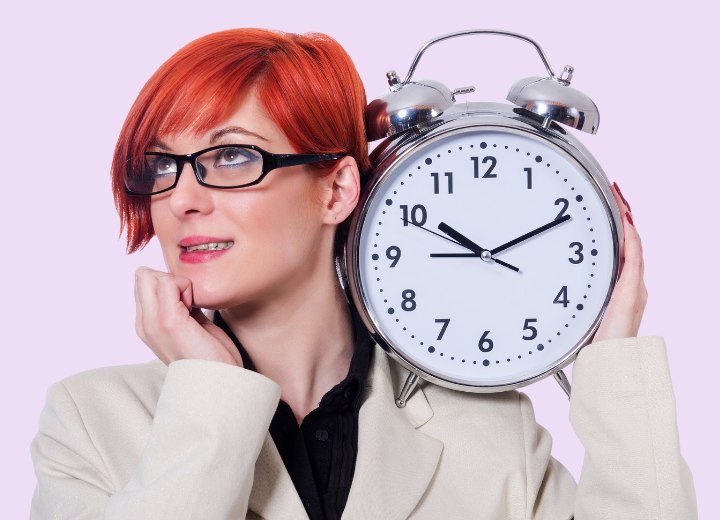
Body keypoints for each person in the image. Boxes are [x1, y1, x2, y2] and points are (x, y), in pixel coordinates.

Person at [30, 28, 697, 519]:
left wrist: (613, 358)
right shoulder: (92, 421)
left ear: (336, 190)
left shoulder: (487, 430)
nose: (182, 198)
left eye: (232, 157)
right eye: (161, 167)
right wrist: (208, 392)